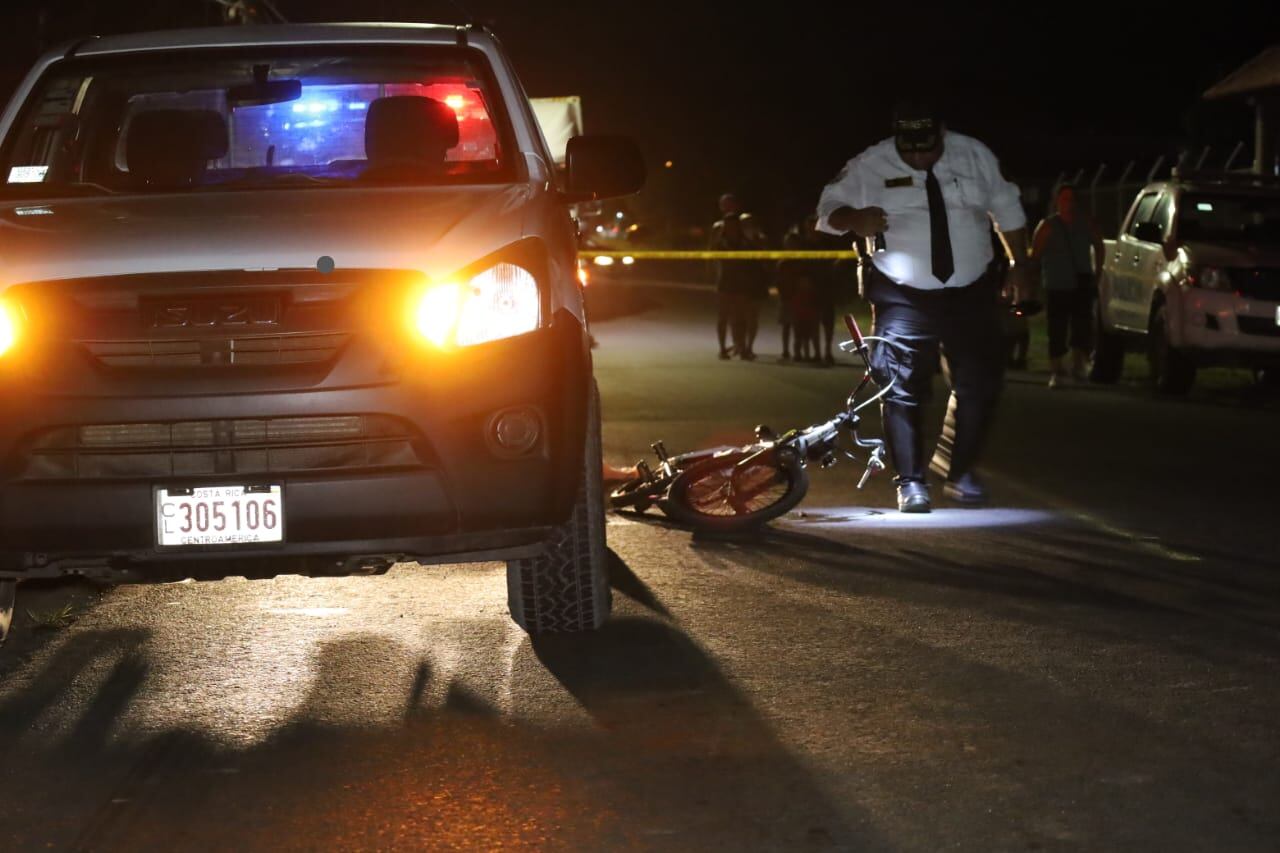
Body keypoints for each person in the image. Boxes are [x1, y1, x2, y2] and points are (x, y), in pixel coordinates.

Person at [816, 100, 1030, 512]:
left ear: (942, 134)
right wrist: (855, 218)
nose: (917, 156)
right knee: (900, 384)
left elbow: (1008, 211)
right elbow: (826, 212)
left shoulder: (974, 156)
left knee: (979, 384)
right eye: (908, 148)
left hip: (970, 290)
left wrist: (1020, 266)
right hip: (902, 292)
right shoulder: (870, 163)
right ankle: (911, 481)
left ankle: (959, 467)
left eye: (926, 148)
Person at [1029, 184, 1105, 388]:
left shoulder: (1085, 224)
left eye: (1071, 199)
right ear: (1057, 201)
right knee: (1057, 328)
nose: (1068, 204)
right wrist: (1032, 282)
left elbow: (1099, 245)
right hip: (1056, 284)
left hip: (1081, 281)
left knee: (1082, 326)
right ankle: (1057, 368)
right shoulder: (1048, 226)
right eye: (1064, 199)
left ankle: (1078, 365)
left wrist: (1097, 272)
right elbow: (1035, 255)